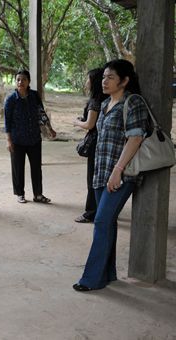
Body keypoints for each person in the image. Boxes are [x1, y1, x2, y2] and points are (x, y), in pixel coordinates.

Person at [73, 59, 150, 292]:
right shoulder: (106, 103)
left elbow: (135, 139)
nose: (104, 81)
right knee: (108, 224)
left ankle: (92, 279)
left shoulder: (133, 102)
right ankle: (108, 274)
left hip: (121, 174)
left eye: (111, 77)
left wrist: (117, 171)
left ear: (125, 81)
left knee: (102, 221)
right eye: (104, 77)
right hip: (101, 173)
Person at [4, 69, 56, 204]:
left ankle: (38, 194)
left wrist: (49, 128)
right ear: (15, 82)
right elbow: (7, 122)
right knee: (17, 168)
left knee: (36, 168)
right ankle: (20, 194)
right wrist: (9, 140)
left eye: (23, 80)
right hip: (17, 140)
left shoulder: (34, 95)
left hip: (34, 138)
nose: (20, 82)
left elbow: (41, 113)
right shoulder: (10, 99)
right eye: (18, 80)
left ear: (29, 82)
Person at [72, 68, 108, 223]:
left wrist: (76, 122)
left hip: (95, 144)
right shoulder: (106, 99)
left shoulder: (95, 101)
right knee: (102, 178)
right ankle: (103, 208)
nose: (86, 82)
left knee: (92, 179)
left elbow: (90, 124)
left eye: (88, 79)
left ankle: (91, 212)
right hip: (104, 143)